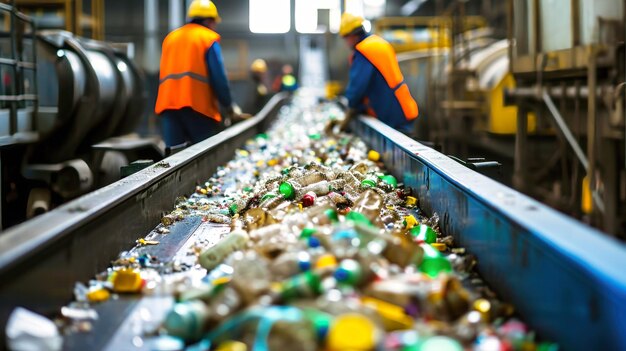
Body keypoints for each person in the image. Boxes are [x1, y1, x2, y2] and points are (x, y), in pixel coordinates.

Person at [155, 0, 248, 147]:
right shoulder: (207, 38)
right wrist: (229, 106)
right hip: (197, 107)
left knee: (173, 159)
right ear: (208, 21)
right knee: (203, 158)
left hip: (169, 107)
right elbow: (219, 78)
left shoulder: (170, 38)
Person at [328, 13, 419, 134]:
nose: (346, 42)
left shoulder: (364, 51)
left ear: (352, 35)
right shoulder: (376, 43)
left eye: (345, 38)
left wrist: (350, 109)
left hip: (391, 114)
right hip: (401, 107)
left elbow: (357, 86)